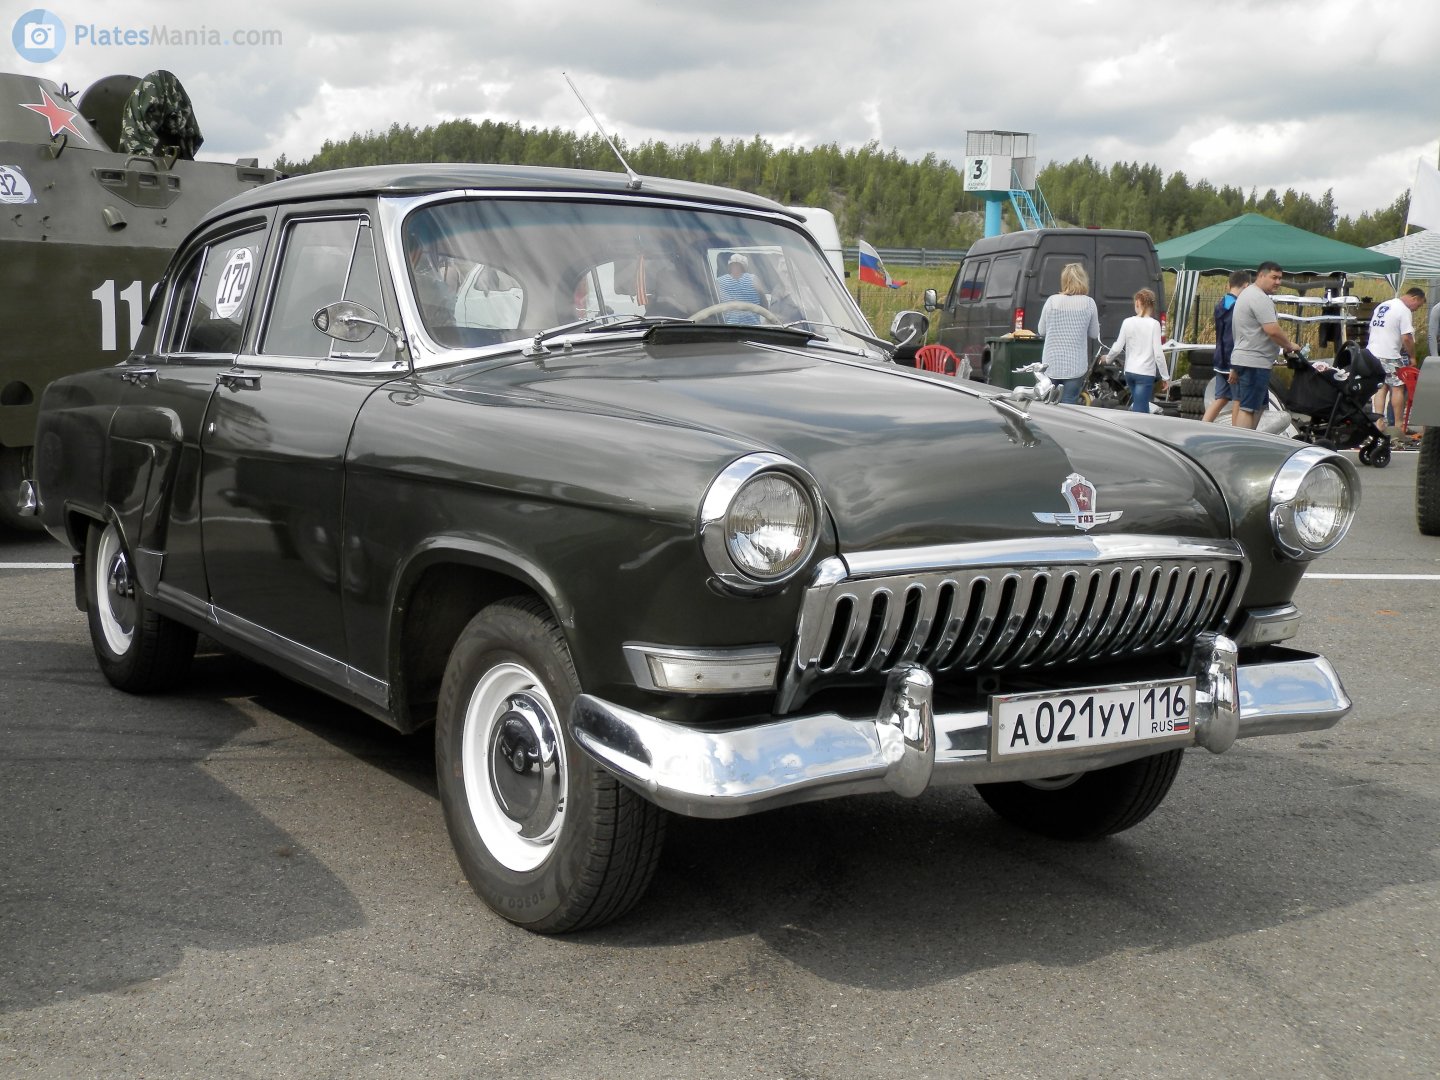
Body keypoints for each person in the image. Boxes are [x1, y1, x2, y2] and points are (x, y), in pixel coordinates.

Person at [1230, 261, 1303, 430]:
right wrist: (1289, 345)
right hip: (1254, 362)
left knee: (1258, 407)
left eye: (1280, 278)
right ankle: (1242, 443)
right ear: (1261, 275)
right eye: (1274, 277)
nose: (1278, 282)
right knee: (1248, 408)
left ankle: (1250, 440)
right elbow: (1272, 330)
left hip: (1246, 359)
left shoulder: (1247, 294)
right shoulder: (1259, 298)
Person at [1365, 287, 1426, 439]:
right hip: (1389, 354)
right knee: (1397, 388)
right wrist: (1412, 357)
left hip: (1372, 353)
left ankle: (1379, 422)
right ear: (1415, 298)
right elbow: (1406, 337)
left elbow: (1372, 329)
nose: (1415, 310)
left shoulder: (1383, 305)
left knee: (1381, 387)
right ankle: (1398, 425)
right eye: (1418, 306)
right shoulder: (1403, 310)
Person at [1036, 262, 1100, 404]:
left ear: (1064, 280)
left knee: (1047, 403)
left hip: (1051, 363)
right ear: (1083, 280)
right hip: (1075, 365)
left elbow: (1041, 331)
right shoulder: (1089, 303)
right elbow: (1094, 334)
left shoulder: (1052, 301)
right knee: (1069, 404)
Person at [1105, 288, 1168, 413]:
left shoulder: (1127, 322)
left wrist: (1107, 359)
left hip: (1130, 371)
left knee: (1139, 405)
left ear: (1138, 303)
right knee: (1141, 409)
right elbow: (1158, 354)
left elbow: (1117, 347)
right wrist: (1165, 376)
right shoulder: (1154, 324)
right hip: (1145, 372)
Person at [1203, 270, 1252, 423]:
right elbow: (1232, 338)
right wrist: (1234, 367)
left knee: (1222, 397)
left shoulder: (1221, 303)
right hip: (1232, 362)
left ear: (1229, 284)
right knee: (1238, 399)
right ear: (1246, 286)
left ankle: (1203, 425)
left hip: (1219, 359)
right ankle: (1235, 431)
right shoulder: (1237, 307)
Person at [715, 253, 765, 325]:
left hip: (734, 327)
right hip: (748, 327)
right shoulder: (754, 279)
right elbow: (764, 304)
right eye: (734, 265)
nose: (735, 267)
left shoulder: (719, 281)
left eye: (737, 265)